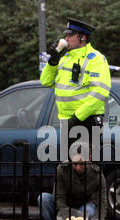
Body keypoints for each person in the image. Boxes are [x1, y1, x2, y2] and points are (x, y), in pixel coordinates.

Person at [40, 17, 111, 149]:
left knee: (86, 167)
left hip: (87, 121)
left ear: (82, 38)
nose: (66, 39)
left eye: (70, 35)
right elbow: (45, 81)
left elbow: (99, 93)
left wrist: (77, 118)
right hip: (68, 121)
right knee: (69, 166)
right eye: (66, 35)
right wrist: (53, 61)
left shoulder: (96, 59)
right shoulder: (65, 58)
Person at [37, 143, 108, 220]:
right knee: (44, 199)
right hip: (65, 205)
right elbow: (58, 197)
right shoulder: (62, 169)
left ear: (89, 158)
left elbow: (102, 202)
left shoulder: (97, 174)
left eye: (82, 164)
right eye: (75, 164)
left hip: (85, 205)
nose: (78, 167)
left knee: (89, 211)